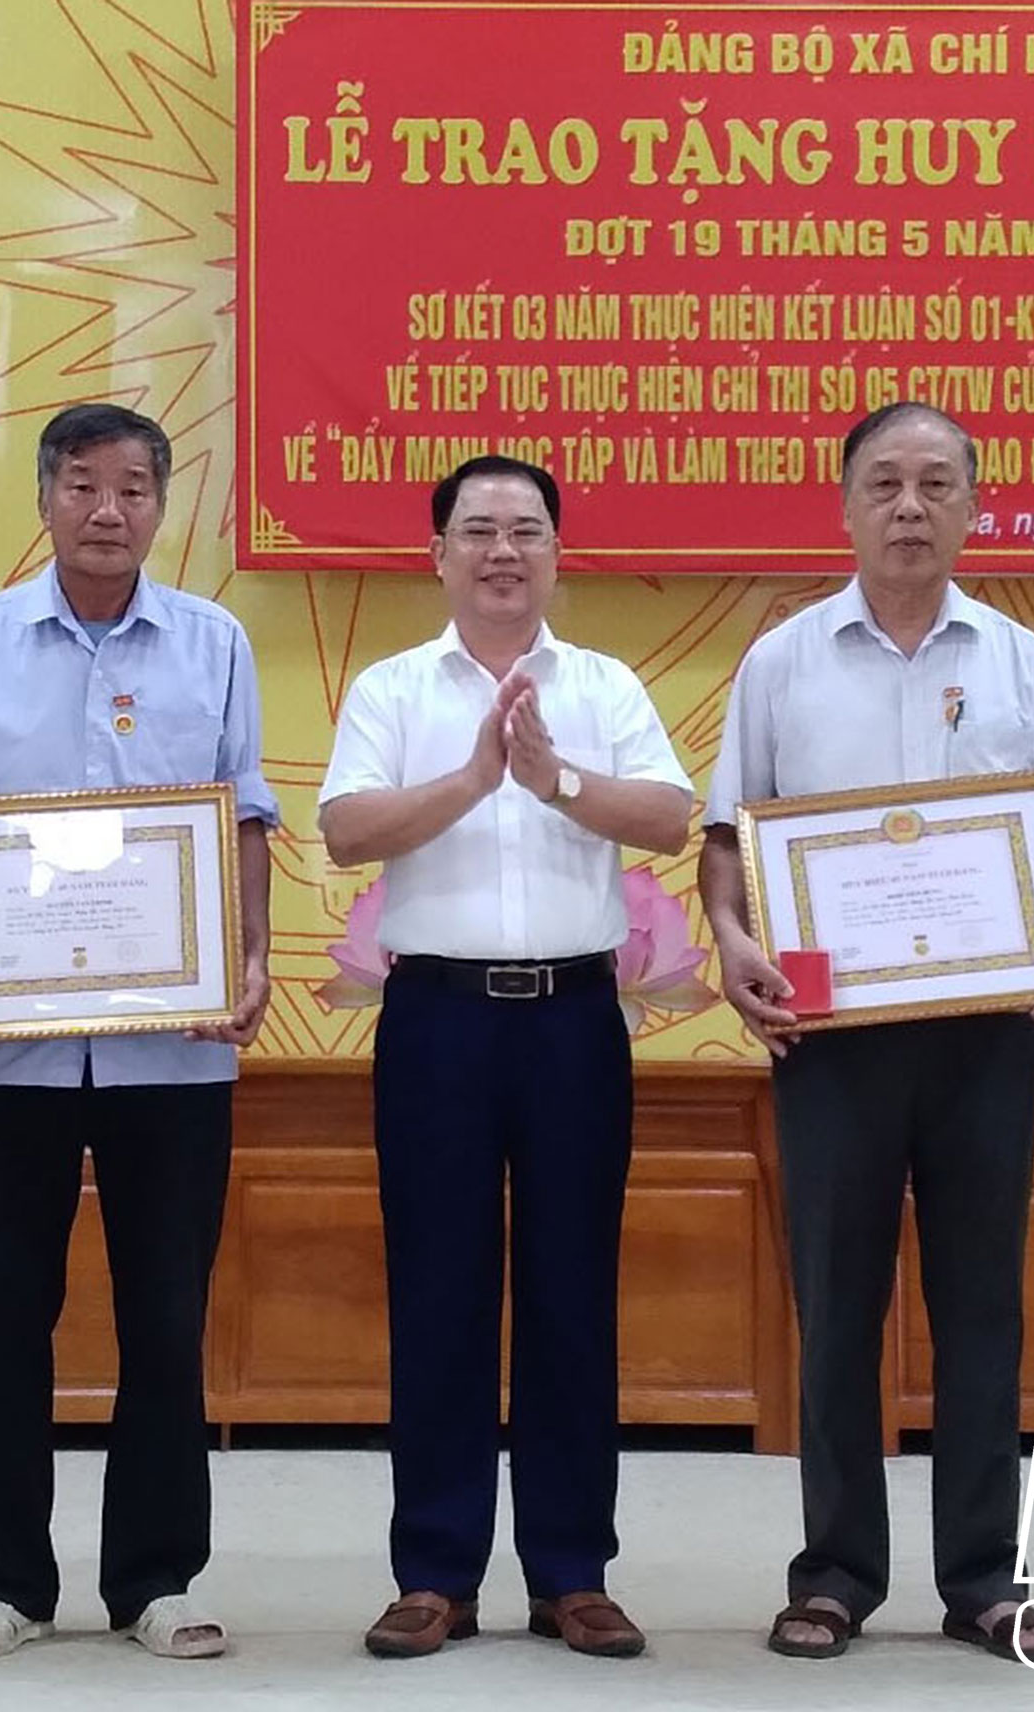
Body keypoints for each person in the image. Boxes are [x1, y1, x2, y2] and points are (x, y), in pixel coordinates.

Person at [698, 402, 1034, 1663]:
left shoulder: (1023, 662)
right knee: (837, 1304)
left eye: (938, 483)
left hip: (987, 1034)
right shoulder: (782, 662)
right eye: (884, 483)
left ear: (976, 506)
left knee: (981, 1301)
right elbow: (728, 844)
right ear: (845, 506)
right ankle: (834, 1572)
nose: (910, 506)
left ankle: (985, 1574)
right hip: (831, 1034)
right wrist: (733, 943)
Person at [0, 402, 278, 1661]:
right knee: (3, 1311)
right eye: (84, 486)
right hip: (7, 1050)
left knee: (166, 1314)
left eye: (133, 489)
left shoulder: (214, 642)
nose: (108, 510)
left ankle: (156, 1576)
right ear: (46, 497)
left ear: (161, 505)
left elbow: (244, 816)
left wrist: (251, 957)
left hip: (174, 1045)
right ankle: (10, 1575)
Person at [317, 456, 694, 1660]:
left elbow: (669, 815)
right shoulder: (391, 687)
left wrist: (555, 778)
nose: (501, 551)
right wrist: (477, 778)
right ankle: (435, 1569)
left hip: (574, 1019)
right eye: (477, 530)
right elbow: (344, 828)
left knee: (574, 1291)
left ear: (555, 553)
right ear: (437, 554)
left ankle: (572, 1569)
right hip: (438, 1018)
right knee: (438, 1290)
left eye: (525, 530)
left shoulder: (605, 683)